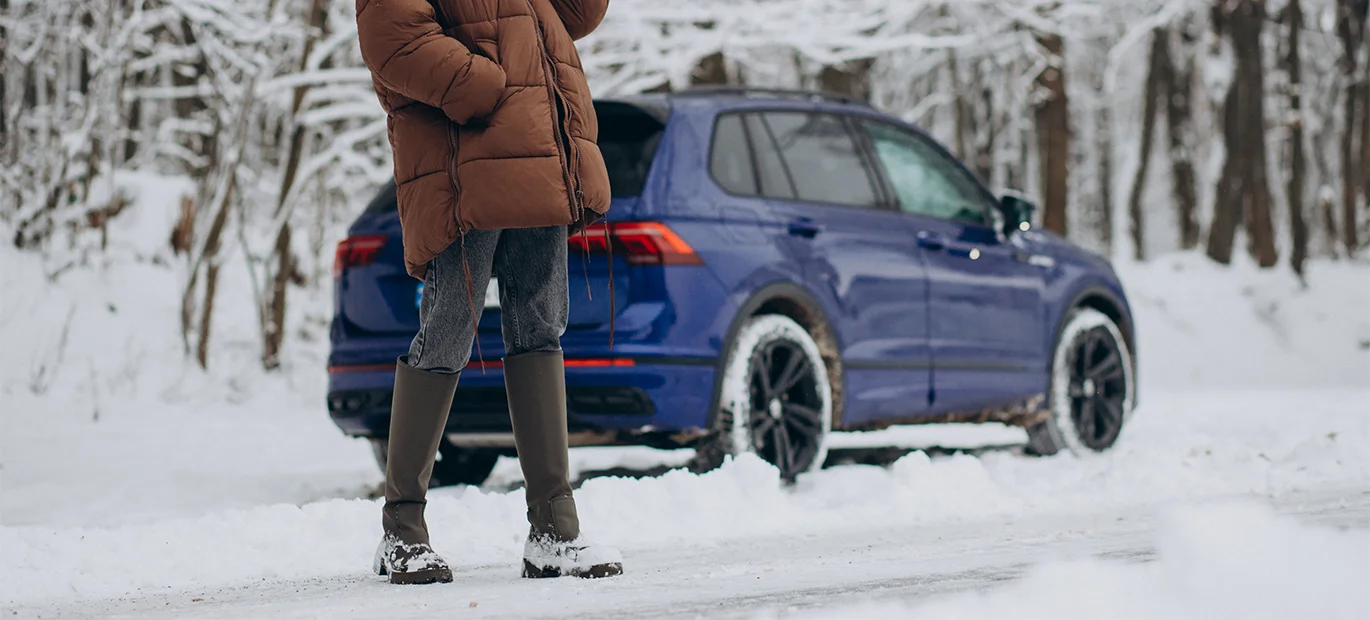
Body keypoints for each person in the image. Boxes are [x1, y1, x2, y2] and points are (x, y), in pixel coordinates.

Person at [355, 0, 619, 585]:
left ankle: (554, 529)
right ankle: (401, 532)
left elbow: (574, 14)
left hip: (542, 154)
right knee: (449, 325)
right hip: (465, 161)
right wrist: (483, 86)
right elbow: (391, 36)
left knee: (541, 324)